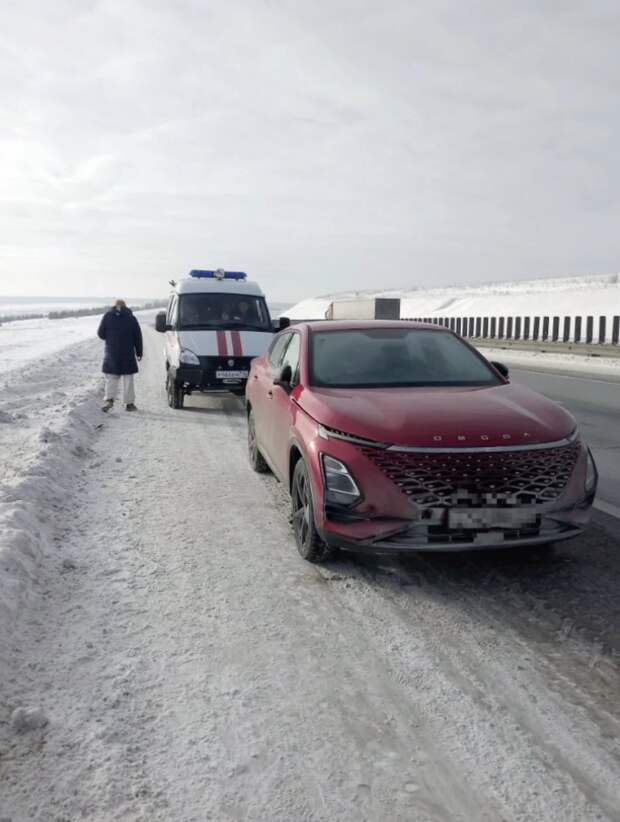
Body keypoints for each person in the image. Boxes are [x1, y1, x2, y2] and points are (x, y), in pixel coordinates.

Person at [97, 299, 143, 412]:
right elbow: (138, 337)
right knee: (128, 379)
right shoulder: (131, 318)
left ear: (114, 305)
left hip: (112, 352)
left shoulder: (107, 316)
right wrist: (139, 352)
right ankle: (129, 404)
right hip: (127, 352)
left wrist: (110, 339)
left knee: (112, 377)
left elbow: (100, 333)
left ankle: (109, 400)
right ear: (125, 306)